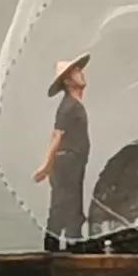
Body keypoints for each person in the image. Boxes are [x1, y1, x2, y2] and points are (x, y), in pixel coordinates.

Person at [32, 53, 91, 251]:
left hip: (73, 163)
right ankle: (55, 251)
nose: (81, 74)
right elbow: (57, 136)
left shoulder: (74, 104)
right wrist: (46, 165)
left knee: (71, 208)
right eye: (76, 72)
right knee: (62, 208)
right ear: (67, 81)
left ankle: (72, 248)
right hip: (66, 163)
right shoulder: (68, 107)